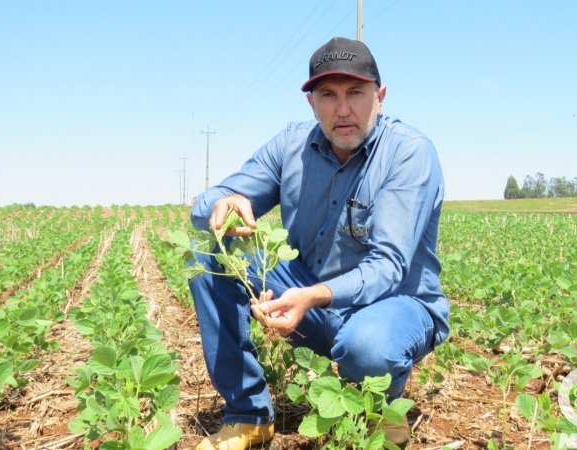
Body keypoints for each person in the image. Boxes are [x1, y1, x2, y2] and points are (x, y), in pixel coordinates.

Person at [189, 37, 450, 450]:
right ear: (311, 103)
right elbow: (207, 206)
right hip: (308, 296)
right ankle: (248, 415)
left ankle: (381, 410)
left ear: (379, 97)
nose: (342, 110)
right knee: (209, 248)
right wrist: (224, 202)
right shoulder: (290, 145)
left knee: (367, 346)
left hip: (395, 305)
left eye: (355, 93)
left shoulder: (409, 153)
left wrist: (312, 296)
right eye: (328, 95)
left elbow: (390, 266)